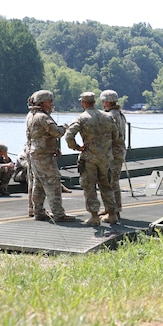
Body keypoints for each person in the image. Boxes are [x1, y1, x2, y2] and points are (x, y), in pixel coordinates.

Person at [65, 92, 120, 226]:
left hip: (89, 158)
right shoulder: (107, 116)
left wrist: (76, 147)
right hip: (106, 158)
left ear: (83, 103)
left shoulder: (82, 118)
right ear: (94, 102)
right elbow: (116, 135)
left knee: (89, 186)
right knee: (106, 185)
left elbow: (68, 136)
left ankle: (94, 216)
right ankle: (112, 214)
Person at [26, 90, 76, 222]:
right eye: (50, 101)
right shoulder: (43, 117)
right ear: (43, 102)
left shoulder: (30, 115)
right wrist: (65, 127)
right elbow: (56, 132)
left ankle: (38, 212)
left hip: (34, 154)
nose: (52, 103)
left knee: (39, 184)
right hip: (44, 156)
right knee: (53, 182)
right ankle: (59, 214)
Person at [101, 89, 127, 219]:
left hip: (112, 153)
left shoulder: (110, 116)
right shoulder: (120, 114)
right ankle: (109, 208)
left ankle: (114, 211)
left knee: (111, 182)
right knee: (112, 181)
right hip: (119, 151)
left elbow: (108, 136)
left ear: (106, 102)